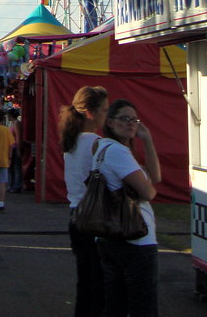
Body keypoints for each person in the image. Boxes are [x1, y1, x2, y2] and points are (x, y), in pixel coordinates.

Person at [94, 98, 161, 317]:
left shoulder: (102, 147)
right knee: (143, 305)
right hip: (134, 235)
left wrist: (147, 139)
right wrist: (146, 186)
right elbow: (148, 191)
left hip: (109, 233)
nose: (131, 124)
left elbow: (156, 177)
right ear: (111, 123)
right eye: (124, 119)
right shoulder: (117, 152)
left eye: (134, 119)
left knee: (116, 303)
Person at [61, 85, 109, 317]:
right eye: (104, 110)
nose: (106, 116)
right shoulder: (96, 143)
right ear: (90, 113)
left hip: (76, 214)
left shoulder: (72, 141)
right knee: (100, 284)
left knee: (86, 281)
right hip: (95, 218)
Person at [6, 108, 23, 193]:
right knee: (10, 168)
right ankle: (12, 184)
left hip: (15, 148)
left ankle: (17, 185)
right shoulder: (11, 124)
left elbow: (18, 137)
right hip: (11, 148)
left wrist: (19, 149)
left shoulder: (16, 123)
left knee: (16, 167)